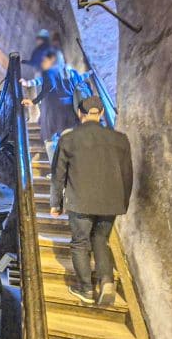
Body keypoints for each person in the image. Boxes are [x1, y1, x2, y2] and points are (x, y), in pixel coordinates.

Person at [50, 96, 133, 305]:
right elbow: (127, 175)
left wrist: (55, 203)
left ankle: (86, 289)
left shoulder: (68, 139)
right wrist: (123, 201)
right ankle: (106, 281)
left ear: (80, 114)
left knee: (80, 243)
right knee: (100, 240)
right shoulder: (120, 139)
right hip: (111, 202)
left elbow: (58, 174)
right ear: (102, 113)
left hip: (80, 201)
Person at [21, 49, 92, 163]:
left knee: (50, 142)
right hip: (70, 111)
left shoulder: (50, 72)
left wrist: (33, 101)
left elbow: (47, 85)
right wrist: (90, 72)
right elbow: (80, 79)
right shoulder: (72, 72)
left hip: (53, 111)